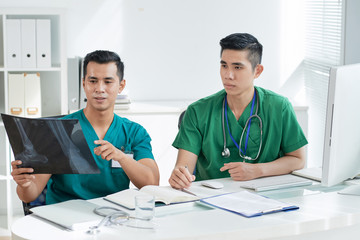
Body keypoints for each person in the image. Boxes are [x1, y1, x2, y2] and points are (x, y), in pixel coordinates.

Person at [11, 50, 160, 204]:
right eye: (93, 81)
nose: (99, 89)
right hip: (64, 217)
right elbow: (29, 195)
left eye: (108, 82)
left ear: (121, 85)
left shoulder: (134, 132)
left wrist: (121, 157)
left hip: (113, 216)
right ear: (84, 83)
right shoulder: (56, 130)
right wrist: (25, 184)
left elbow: (152, 183)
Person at [169, 33, 308, 189]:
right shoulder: (197, 112)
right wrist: (180, 175)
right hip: (212, 199)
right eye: (224, 66)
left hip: (266, 196)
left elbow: (298, 160)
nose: (228, 75)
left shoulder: (279, 107)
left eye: (237, 67)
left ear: (257, 71)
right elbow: (184, 166)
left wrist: (257, 170)